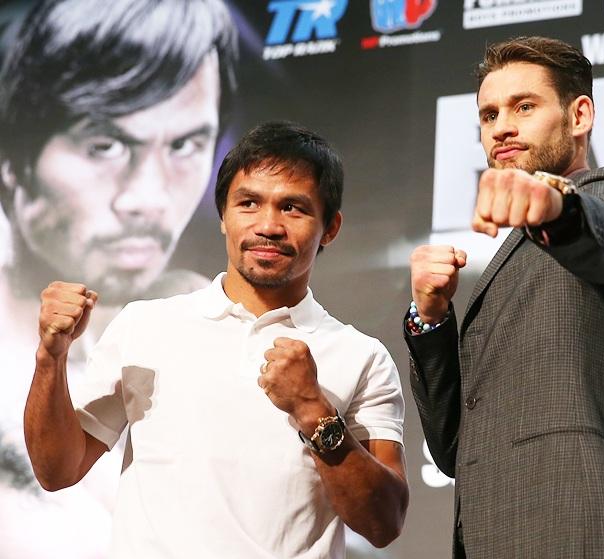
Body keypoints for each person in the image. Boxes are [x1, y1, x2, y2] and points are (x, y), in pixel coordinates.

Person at [24, 121, 409, 558]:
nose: (268, 225)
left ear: (331, 227)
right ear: (223, 217)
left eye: (293, 208)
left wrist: (313, 410)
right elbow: (58, 469)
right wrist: (50, 359)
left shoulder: (363, 356)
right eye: (248, 203)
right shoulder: (145, 325)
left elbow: (384, 522)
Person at [406, 36, 604, 558]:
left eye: (524, 106)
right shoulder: (510, 257)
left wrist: (557, 207)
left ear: (580, 115)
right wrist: (431, 320)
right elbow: (456, 449)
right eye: (488, 114)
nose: (501, 126)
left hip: (576, 529)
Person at [0, 0, 237, 555]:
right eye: (103, 145)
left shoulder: (226, 329)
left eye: (184, 145)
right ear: (14, 157)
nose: (147, 199)